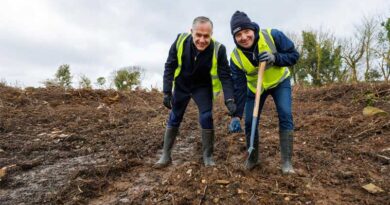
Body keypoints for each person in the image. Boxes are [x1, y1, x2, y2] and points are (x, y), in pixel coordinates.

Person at [154, 16, 237, 168]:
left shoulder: (219, 49)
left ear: (211, 34)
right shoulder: (180, 41)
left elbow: (225, 76)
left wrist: (229, 99)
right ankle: (166, 155)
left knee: (206, 117)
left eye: (206, 36)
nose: (202, 40)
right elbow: (170, 65)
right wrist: (166, 92)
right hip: (182, 85)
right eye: (198, 35)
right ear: (191, 31)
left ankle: (208, 156)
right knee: (175, 116)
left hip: (203, 87)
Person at [228, 11, 299, 174]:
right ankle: (253, 158)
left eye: (246, 31)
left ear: (253, 29)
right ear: (234, 38)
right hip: (255, 89)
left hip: (280, 82)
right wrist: (236, 116)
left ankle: (287, 162)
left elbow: (294, 56)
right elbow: (239, 87)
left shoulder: (272, 36)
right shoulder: (236, 57)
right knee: (249, 122)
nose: (244, 37)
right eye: (238, 34)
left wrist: (276, 58)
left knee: (285, 113)